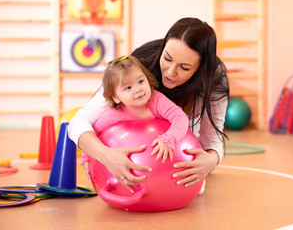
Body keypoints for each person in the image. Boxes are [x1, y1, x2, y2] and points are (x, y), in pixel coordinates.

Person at [68, 17, 229, 193]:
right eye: (167, 58)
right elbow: (79, 121)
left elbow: (212, 140)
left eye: (184, 68)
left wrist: (211, 160)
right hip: (130, 149)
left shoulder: (214, 80)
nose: (171, 72)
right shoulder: (138, 65)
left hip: (176, 147)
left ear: (200, 70)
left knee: (198, 190)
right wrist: (104, 155)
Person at [80, 55, 189, 179]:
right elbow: (92, 132)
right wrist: (87, 156)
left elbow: (180, 117)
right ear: (115, 97)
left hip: (168, 159)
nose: (138, 89)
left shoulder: (156, 100)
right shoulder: (115, 113)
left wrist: (169, 138)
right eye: (128, 87)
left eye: (141, 81)